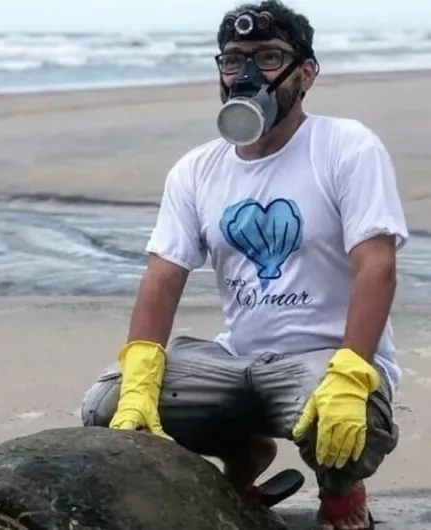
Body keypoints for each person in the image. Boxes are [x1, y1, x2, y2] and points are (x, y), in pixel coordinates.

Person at [79, 1, 408, 529]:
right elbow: (163, 277)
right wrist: (140, 376)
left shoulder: (346, 148)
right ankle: (243, 458)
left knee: (351, 420)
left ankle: (343, 497)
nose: (247, 75)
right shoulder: (197, 169)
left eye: (268, 57)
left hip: (323, 360)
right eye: (233, 60)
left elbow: (377, 268)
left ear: (306, 73)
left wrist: (353, 371)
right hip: (237, 361)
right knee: (108, 405)